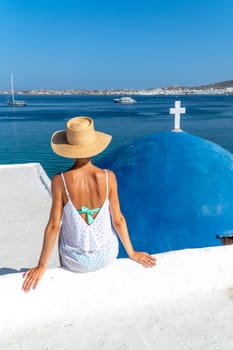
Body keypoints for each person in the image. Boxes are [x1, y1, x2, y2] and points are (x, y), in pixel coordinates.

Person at [22, 116, 156, 292]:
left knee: (62, 229)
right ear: (94, 147)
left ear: (69, 149)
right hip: (107, 255)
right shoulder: (108, 177)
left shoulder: (60, 180)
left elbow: (54, 226)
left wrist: (41, 266)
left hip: (76, 262)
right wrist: (132, 252)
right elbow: (118, 220)